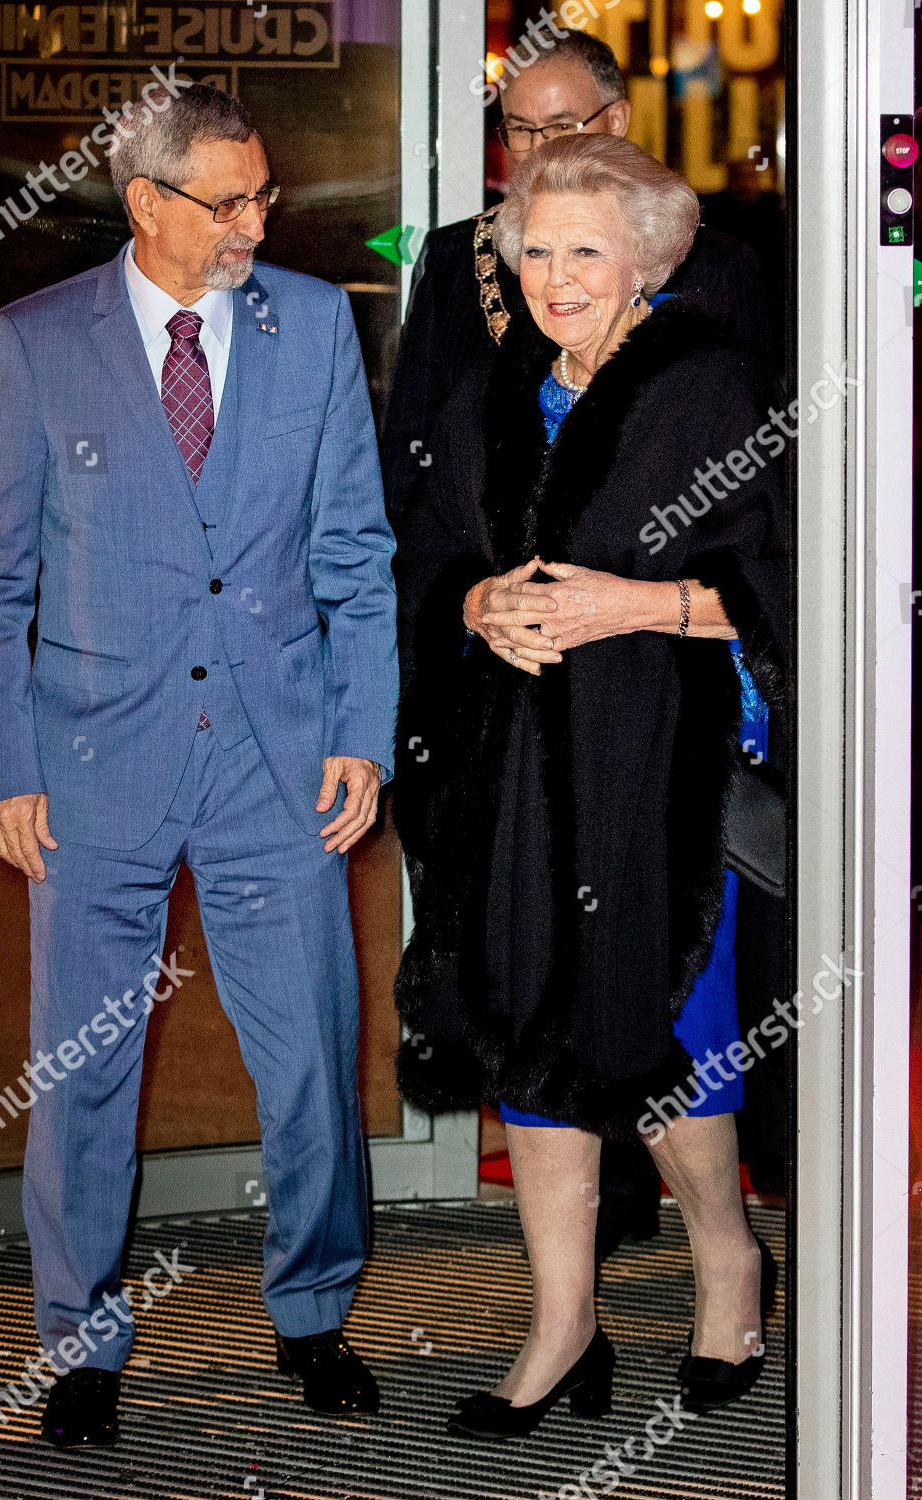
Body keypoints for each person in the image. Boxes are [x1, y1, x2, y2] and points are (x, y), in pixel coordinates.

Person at [0, 83, 397, 1447]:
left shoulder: (313, 323)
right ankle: (80, 1341)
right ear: (146, 205)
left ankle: (313, 1311)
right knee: (81, 1069)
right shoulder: (35, 343)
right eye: (230, 201)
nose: (258, 219)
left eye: (262, 194)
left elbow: (356, 560)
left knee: (310, 1056)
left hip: (277, 763)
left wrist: (359, 734)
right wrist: (1, 765)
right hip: (91, 767)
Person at [393, 133, 786, 1439]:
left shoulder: (717, 391)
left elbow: (800, 591)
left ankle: (728, 1264)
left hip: (662, 782)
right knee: (525, 1032)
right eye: (536, 249)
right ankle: (563, 1327)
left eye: (586, 251)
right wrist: (475, 600)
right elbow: (428, 559)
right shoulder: (493, 398)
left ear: (651, 259)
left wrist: (647, 603)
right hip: (516, 777)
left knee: (674, 1038)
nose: (556, 277)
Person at [381, 28, 772, 531]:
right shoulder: (456, 257)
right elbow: (409, 455)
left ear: (617, 120)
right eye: (520, 129)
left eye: (561, 126)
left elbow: (751, 478)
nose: (539, 149)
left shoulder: (713, 260)